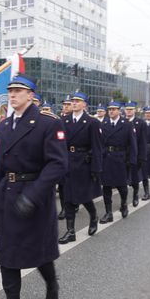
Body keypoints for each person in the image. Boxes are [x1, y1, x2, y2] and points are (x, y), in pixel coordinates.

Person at [0, 73, 67, 299]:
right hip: (9, 197)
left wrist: (33, 195)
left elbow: (57, 164)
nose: (12, 95)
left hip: (35, 198)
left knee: (40, 254)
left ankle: (52, 286)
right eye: (10, 90)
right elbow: (1, 164)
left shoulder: (46, 123)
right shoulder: (5, 125)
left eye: (19, 91)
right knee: (7, 258)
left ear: (31, 95)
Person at [59, 91, 103, 243]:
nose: (74, 103)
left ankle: (93, 216)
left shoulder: (92, 122)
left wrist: (96, 168)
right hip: (68, 162)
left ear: (84, 104)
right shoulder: (64, 120)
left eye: (78, 101)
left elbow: (97, 147)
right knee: (68, 198)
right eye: (73, 101)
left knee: (84, 196)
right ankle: (71, 231)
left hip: (84, 163)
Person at [99, 101, 137, 223]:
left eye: (114, 109)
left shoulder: (126, 124)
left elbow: (132, 144)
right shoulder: (104, 123)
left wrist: (132, 160)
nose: (111, 111)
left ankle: (124, 204)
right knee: (106, 187)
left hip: (121, 158)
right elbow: (99, 143)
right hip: (106, 158)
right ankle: (108, 212)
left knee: (122, 186)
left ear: (119, 111)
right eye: (109, 109)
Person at [124, 101, 148, 207]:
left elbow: (143, 142)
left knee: (134, 179)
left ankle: (135, 195)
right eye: (127, 109)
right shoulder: (122, 121)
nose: (129, 111)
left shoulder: (140, 123)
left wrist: (142, 157)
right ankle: (123, 201)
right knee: (123, 180)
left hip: (135, 155)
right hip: (122, 156)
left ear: (134, 111)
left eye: (131, 109)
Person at [57, 95, 72, 220]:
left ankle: (74, 204)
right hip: (62, 156)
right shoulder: (58, 120)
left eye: (68, 104)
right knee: (62, 186)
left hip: (75, 158)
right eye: (64, 104)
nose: (66, 106)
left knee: (74, 185)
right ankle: (63, 208)